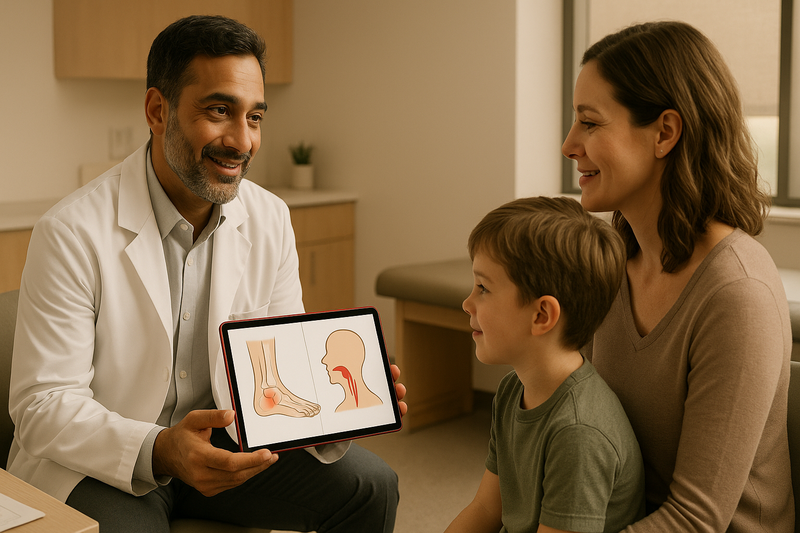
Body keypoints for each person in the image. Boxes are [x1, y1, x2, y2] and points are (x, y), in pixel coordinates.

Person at [9, 14, 405, 533]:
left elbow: (279, 368)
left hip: (226, 437)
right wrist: (161, 449)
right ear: (158, 110)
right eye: (219, 111)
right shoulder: (71, 231)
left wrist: (335, 409)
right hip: (104, 458)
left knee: (371, 486)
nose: (242, 141)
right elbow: (42, 406)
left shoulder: (270, 218)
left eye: (255, 117)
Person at [561, 21, 794, 532]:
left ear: (665, 132)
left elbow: (695, 520)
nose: (568, 145)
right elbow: (574, 416)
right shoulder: (615, 263)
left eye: (590, 123)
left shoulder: (738, 294)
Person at [445, 196, 645, 533]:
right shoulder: (513, 389)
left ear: (542, 315)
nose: (467, 303)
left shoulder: (578, 433)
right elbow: (485, 508)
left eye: (483, 288)